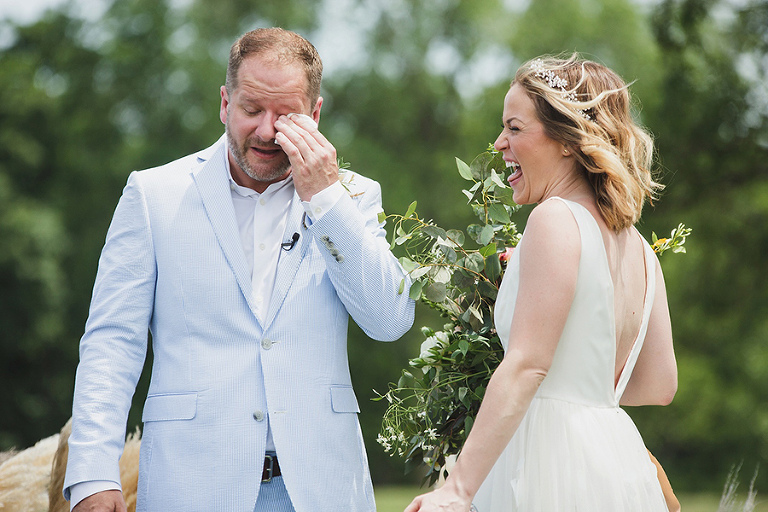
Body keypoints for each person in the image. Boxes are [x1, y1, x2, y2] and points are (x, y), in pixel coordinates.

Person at [63, 27, 415, 512]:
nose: (268, 131)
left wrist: (327, 199)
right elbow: (112, 341)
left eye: (286, 115)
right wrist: (92, 475)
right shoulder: (153, 195)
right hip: (191, 487)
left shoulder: (352, 196)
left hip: (321, 490)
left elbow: (389, 320)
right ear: (225, 103)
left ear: (314, 115)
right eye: (252, 109)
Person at [405, 55, 678, 511]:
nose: (499, 143)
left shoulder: (555, 218)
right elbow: (659, 385)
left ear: (568, 140)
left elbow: (528, 365)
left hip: (549, 463)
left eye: (514, 128)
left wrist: (458, 489)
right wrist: (580, 388)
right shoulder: (642, 251)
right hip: (616, 461)